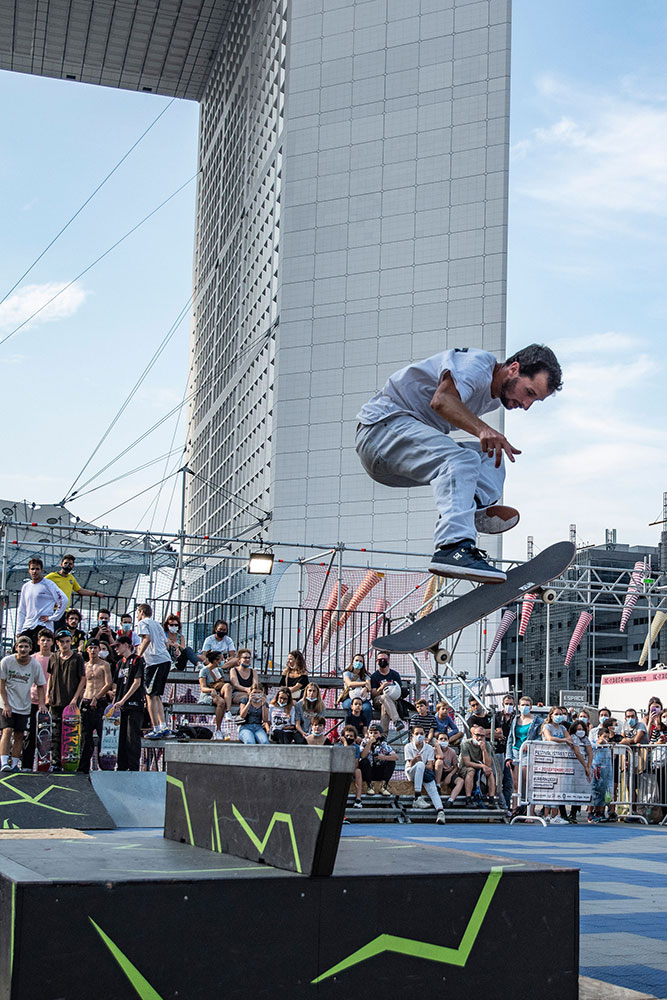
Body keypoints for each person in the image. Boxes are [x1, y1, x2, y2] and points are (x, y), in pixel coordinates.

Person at [356, 344, 562, 580]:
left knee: (490, 457)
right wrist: (482, 429)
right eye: (529, 393)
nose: (526, 405)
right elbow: (442, 400)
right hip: (380, 432)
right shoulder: (477, 365)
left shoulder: (494, 398)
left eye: (535, 401)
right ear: (514, 369)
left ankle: (470, 506)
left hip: (396, 458)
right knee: (460, 459)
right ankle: (453, 547)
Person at [0, 637, 46, 772]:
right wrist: (6, 704)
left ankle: (14, 764)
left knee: (20, 734)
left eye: (26, 647)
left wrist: (41, 704)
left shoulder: (35, 665)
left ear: (30, 648)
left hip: (24, 705)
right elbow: (1, 684)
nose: (23, 649)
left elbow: (40, 685)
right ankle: (4, 763)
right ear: (16, 648)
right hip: (6, 704)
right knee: (7, 731)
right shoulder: (7, 662)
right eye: (20, 646)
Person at [46, 630, 86, 772]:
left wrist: (75, 698)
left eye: (67, 641)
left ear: (71, 641)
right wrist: (47, 694)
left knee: (72, 734)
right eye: (62, 642)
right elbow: (50, 677)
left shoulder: (77, 658)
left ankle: (71, 762)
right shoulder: (53, 657)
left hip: (71, 703)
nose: (64, 644)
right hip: (56, 700)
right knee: (56, 733)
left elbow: (83, 679)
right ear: (57, 643)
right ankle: (56, 762)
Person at [136, 603, 173, 740]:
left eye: (137, 612)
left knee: (150, 695)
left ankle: (156, 727)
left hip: (155, 661)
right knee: (155, 695)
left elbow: (147, 638)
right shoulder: (157, 624)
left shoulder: (142, 623)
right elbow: (166, 642)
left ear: (141, 612)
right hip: (164, 660)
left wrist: (139, 655)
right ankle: (163, 726)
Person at [77, 638, 113, 773]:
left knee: (102, 735)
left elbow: (108, 683)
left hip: (100, 703)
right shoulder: (85, 666)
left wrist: (96, 698)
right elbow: (82, 685)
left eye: (95, 648)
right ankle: (83, 768)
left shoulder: (104, 665)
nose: (93, 650)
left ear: (99, 649)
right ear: (87, 650)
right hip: (86, 701)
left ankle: (104, 766)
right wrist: (77, 700)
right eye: (90, 648)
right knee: (85, 737)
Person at [16, 557, 68, 650]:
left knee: (42, 655)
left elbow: (63, 599)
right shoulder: (26, 586)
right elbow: (22, 609)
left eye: (37, 569)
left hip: (43, 626)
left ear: (41, 570)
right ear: (29, 570)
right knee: (20, 652)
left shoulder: (48, 584)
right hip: (28, 626)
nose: (34, 571)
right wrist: (19, 630)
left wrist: (53, 617)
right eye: (32, 569)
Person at [46, 554, 106, 631]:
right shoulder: (51, 576)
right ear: (61, 564)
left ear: (73, 566)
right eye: (66, 563)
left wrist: (96, 594)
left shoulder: (71, 578)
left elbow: (80, 590)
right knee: (51, 632)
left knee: (61, 634)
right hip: (53, 610)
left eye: (70, 564)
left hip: (64, 611)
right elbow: (41, 586)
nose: (67, 565)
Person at [113, 633, 147, 770]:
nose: (116, 649)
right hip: (120, 707)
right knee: (120, 738)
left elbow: (137, 682)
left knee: (131, 736)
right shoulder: (120, 663)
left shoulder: (137, 660)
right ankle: (121, 766)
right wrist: (115, 696)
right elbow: (116, 683)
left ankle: (133, 768)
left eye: (118, 646)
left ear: (127, 645)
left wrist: (123, 700)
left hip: (134, 705)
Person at [21, 628, 52, 770]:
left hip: (49, 701)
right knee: (30, 735)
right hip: (32, 701)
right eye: (43, 640)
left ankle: (47, 763)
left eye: (48, 640)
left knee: (47, 735)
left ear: (52, 642)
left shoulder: (55, 658)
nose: (45, 643)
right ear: (38, 642)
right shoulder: (32, 658)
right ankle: (27, 765)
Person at [404, 724, 445, 823]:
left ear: (425, 734)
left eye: (421, 733)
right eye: (416, 733)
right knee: (420, 765)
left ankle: (440, 812)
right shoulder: (408, 747)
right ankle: (417, 797)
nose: (419, 735)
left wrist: (420, 763)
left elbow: (430, 766)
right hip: (411, 772)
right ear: (412, 735)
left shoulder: (429, 748)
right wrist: (415, 760)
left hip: (423, 773)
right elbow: (409, 764)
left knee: (433, 788)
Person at [458, 724, 497, 808]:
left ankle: (491, 798)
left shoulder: (487, 745)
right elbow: (467, 762)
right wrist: (482, 766)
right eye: (477, 735)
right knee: (471, 771)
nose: (479, 738)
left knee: (490, 772)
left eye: (482, 736)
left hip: (480, 766)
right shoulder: (465, 744)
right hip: (465, 767)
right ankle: (468, 799)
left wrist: (484, 750)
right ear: (472, 735)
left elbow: (488, 764)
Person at [198, 650, 232, 738]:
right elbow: (203, 687)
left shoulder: (219, 670)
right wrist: (210, 690)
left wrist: (218, 683)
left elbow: (222, 684)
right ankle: (218, 729)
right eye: (221, 659)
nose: (223, 661)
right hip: (208, 694)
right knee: (221, 702)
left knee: (227, 686)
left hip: (218, 691)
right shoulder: (204, 671)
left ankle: (228, 711)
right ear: (216, 661)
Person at [370, 652, 405, 734]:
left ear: (388, 660)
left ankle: (382, 736)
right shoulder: (375, 676)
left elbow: (400, 691)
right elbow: (373, 695)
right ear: (377, 661)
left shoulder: (394, 674)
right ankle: (397, 721)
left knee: (385, 708)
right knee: (384, 697)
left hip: (392, 702)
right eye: (380, 659)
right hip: (378, 700)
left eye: (384, 659)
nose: (382, 661)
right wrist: (381, 688)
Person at [359, 722, 397, 796]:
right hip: (367, 771)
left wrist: (383, 757)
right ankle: (369, 786)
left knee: (391, 762)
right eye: (371, 733)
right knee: (364, 761)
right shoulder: (364, 742)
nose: (373, 735)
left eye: (375, 733)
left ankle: (384, 786)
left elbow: (395, 757)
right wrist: (369, 743)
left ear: (380, 734)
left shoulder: (383, 743)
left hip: (378, 770)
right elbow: (363, 756)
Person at [338, 654, 373, 725]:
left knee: (367, 709)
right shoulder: (347, 673)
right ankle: (350, 729)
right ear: (352, 662)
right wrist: (364, 684)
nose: (358, 662)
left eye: (361, 661)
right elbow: (349, 684)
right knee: (350, 706)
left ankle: (364, 729)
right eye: (356, 660)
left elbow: (369, 687)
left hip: (362, 699)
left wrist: (366, 688)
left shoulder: (366, 675)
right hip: (349, 698)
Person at [434, 733, 465, 806]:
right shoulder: (433, 750)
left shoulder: (452, 752)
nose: (443, 740)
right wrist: (438, 747)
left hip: (447, 772)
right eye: (441, 739)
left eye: (445, 739)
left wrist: (450, 775)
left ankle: (450, 800)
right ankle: (438, 786)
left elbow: (456, 767)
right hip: (437, 772)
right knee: (439, 762)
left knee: (460, 781)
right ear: (437, 741)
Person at [338, 725, 363, 807]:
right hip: (341, 769)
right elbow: (343, 758)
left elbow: (356, 763)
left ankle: (358, 799)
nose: (349, 737)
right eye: (347, 736)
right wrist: (345, 743)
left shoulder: (356, 748)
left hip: (352, 768)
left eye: (351, 736)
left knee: (358, 771)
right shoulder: (339, 747)